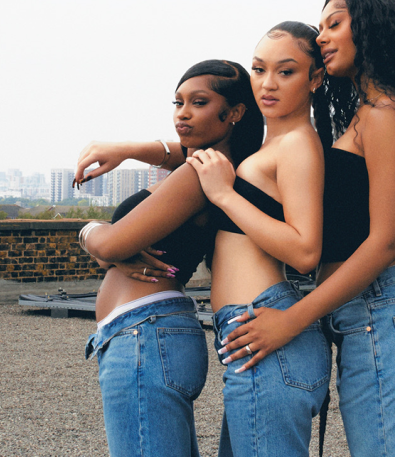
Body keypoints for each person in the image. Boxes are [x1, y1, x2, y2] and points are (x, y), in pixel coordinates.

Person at [219, 0, 395, 456]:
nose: (322, 37)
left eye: (334, 24)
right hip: (366, 319)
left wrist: (290, 321)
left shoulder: (387, 114)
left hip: (384, 312)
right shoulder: (364, 115)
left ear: (372, 29)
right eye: (320, 28)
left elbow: (384, 242)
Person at [79, 59, 263, 457]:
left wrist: (89, 231)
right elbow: (176, 154)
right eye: (177, 102)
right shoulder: (216, 166)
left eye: (199, 102)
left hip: (144, 334)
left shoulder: (200, 172)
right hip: (150, 332)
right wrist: (128, 149)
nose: (183, 113)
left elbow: (109, 247)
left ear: (234, 113)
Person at [188, 21, 330, 457]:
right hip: (251, 331)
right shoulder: (274, 145)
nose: (267, 84)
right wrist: (132, 149)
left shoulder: (298, 146)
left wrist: (224, 195)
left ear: (315, 79)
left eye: (285, 72)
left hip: (264, 328)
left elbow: (306, 251)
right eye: (258, 69)